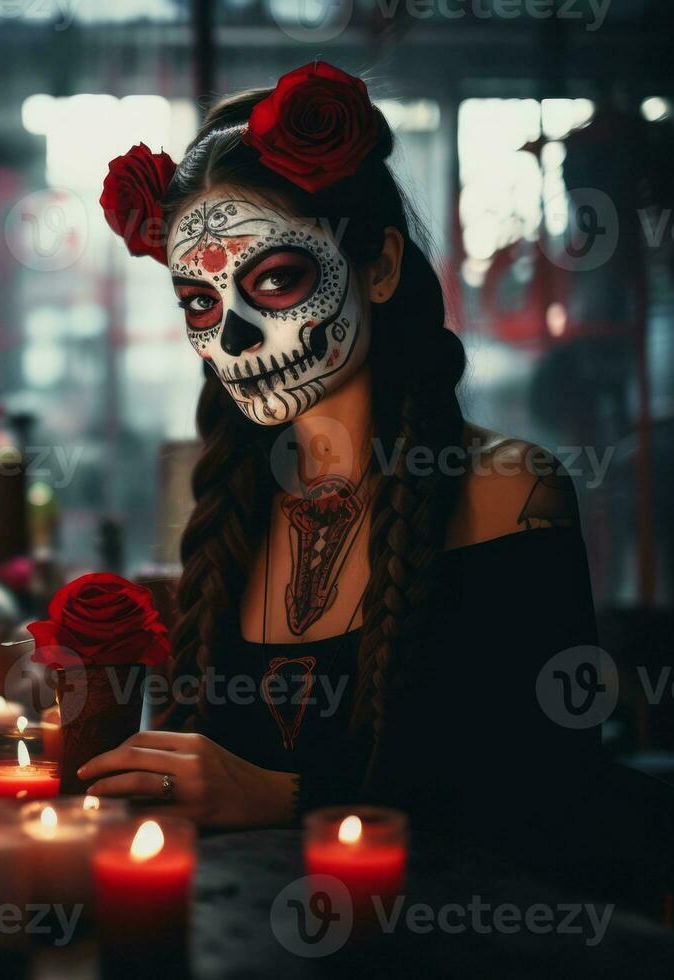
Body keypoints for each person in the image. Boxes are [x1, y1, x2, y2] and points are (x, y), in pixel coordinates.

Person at [80, 63, 600, 864]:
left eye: (277, 281)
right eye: (199, 302)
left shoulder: (507, 490)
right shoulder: (226, 501)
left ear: (380, 266)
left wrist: (285, 797)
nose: (233, 338)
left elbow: (547, 797)